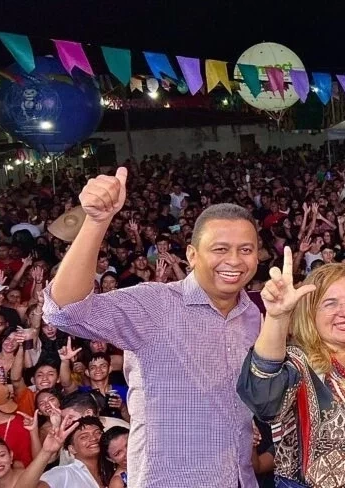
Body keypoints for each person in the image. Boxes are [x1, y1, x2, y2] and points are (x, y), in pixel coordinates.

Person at [41, 167, 262, 487]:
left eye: (246, 249)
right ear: (191, 254)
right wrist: (97, 221)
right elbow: (65, 313)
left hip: (239, 477)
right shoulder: (154, 304)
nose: (235, 260)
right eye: (220, 249)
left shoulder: (251, 315)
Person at [238, 255, 345, 488]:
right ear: (310, 312)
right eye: (330, 303)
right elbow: (263, 396)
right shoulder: (299, 361)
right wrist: (277, 317)